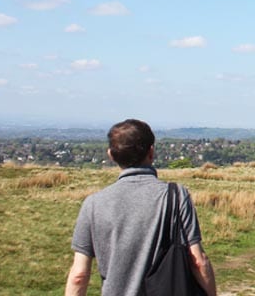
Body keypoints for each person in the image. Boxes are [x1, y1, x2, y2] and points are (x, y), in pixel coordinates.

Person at [64, 118, 217, 296]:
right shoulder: (176, 196)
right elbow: (198, 261)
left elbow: (79, 275)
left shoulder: (92, 204)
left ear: (111, 155)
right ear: (151, 152)